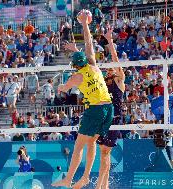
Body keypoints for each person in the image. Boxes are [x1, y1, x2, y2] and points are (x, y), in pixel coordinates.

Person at [52, 13, 113, 188]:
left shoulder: (76, 76)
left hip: (95, 110)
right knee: (92, 141)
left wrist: (61, 87)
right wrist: (85, 24)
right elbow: (89, 44)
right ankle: (85, 176)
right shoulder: (93, 64)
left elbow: (64, 88)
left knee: (79, 145)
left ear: (74, 65)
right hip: (109, 109)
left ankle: (68, 179)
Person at [95, 26, 125, 189]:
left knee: (105, 152)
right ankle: (104, 186)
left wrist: (110, 41)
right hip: (104, 120)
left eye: (110, 69)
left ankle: (100, 186)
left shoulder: (119, 82)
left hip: (115, 120)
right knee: (103, 154)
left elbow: (115, 59)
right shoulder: (104, 84)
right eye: (107, 69)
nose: (108, 70)